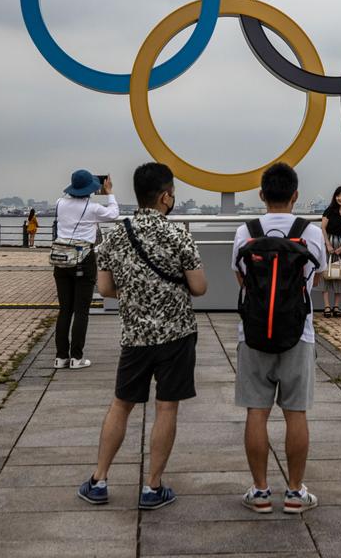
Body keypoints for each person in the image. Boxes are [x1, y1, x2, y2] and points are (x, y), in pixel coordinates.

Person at [78, 162, 207, 510]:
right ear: (166, 197)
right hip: (177, 335)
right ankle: (152, 487)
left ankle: (99, 480)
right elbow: (199, 287)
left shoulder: (116, 235)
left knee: (121, 405)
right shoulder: (178, 234)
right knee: (167, 408)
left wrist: (136, 293)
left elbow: (105, 288)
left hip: (135, 336)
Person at [231, 162, 325, 515]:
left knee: (257, 412)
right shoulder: (310, 233)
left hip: (253, 333)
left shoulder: (247, 230)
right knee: (295, 413)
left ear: (261, 195)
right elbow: (313, 280)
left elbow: (241, 279)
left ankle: (259, 492)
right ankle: (295, 492)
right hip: (298, 334)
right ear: (295, 195)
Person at [52, 169, 119, 369]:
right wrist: (109, 192)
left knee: (65, 309)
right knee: (81, 310)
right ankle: (77, 358)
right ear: (90, 188)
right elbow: (114, 213)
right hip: (83, 258)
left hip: (61, 259)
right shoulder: (93, 208)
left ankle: (60, 357)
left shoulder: (59, 203)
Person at [320, 185, 341, 318]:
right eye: (338, 195)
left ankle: (336, 306)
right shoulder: (330, 210)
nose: (340, 198)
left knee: (340, 274)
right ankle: (327, 306)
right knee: (326, 273)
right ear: (335, 197)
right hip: (329, 244)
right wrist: (327, 244)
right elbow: (323, 228)